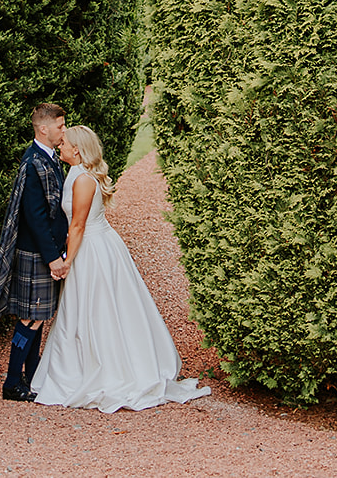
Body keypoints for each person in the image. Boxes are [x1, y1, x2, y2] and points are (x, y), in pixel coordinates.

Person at [29, 125, 211, 412]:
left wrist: (66, 262)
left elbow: (77, 225)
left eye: (64, 142)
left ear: (76, 149)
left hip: (93, 249)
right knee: (83, 308)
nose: (60, 146)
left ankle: (111, 370)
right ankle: (80, 365)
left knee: (99, 307)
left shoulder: (83, 180)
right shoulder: (75, 174)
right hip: (88, 244)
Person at [0, 102, 70, 402]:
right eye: (60, 126)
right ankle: (11, 382)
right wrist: (52, 258)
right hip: (36, 253)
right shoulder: (34, 162)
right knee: (30, 318)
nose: (64, 131)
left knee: (38, 316)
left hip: (44, 252)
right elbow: (34, 217)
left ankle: (31, 378)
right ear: (44, 128)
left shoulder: (49, 158)